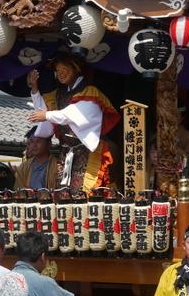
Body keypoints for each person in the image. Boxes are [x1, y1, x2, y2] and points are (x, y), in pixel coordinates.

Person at [27, 53, 120, 192]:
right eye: (57, 71)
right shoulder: (59, 94)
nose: (61, 73)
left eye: (64, 69)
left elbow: (73, 114)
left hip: (86, 151)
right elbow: (46, 115)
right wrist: (34, 90)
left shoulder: (90, 92)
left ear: (76, 68)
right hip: (66, 151)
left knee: (85, 191)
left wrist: (46, 115)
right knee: (62, 192)